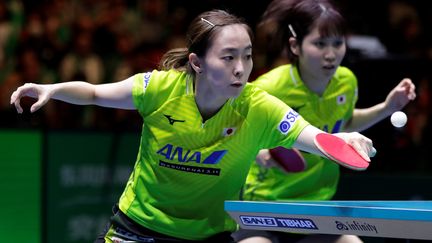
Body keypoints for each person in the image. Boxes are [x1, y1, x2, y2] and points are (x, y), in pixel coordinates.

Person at [10, 9, 375, 243]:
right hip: (138, 229)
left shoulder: (258, 105)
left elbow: (312, 136)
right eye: (228, 57)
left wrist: (344, 139)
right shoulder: (161, 89)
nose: (240, 68)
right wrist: (53, 88)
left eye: (247, 56)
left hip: (208, 235)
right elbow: (92, 93)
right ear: (197, 62)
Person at [233, 0, 416, 243]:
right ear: (295, 46)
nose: (331, 54)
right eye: (320, 44)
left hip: (318, 208)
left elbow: (344, 125)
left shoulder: (346, 81)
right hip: (266, 208)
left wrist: (387, 108)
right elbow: (231, 132)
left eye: (337, 43)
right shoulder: (269, 88)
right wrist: (257, 151)